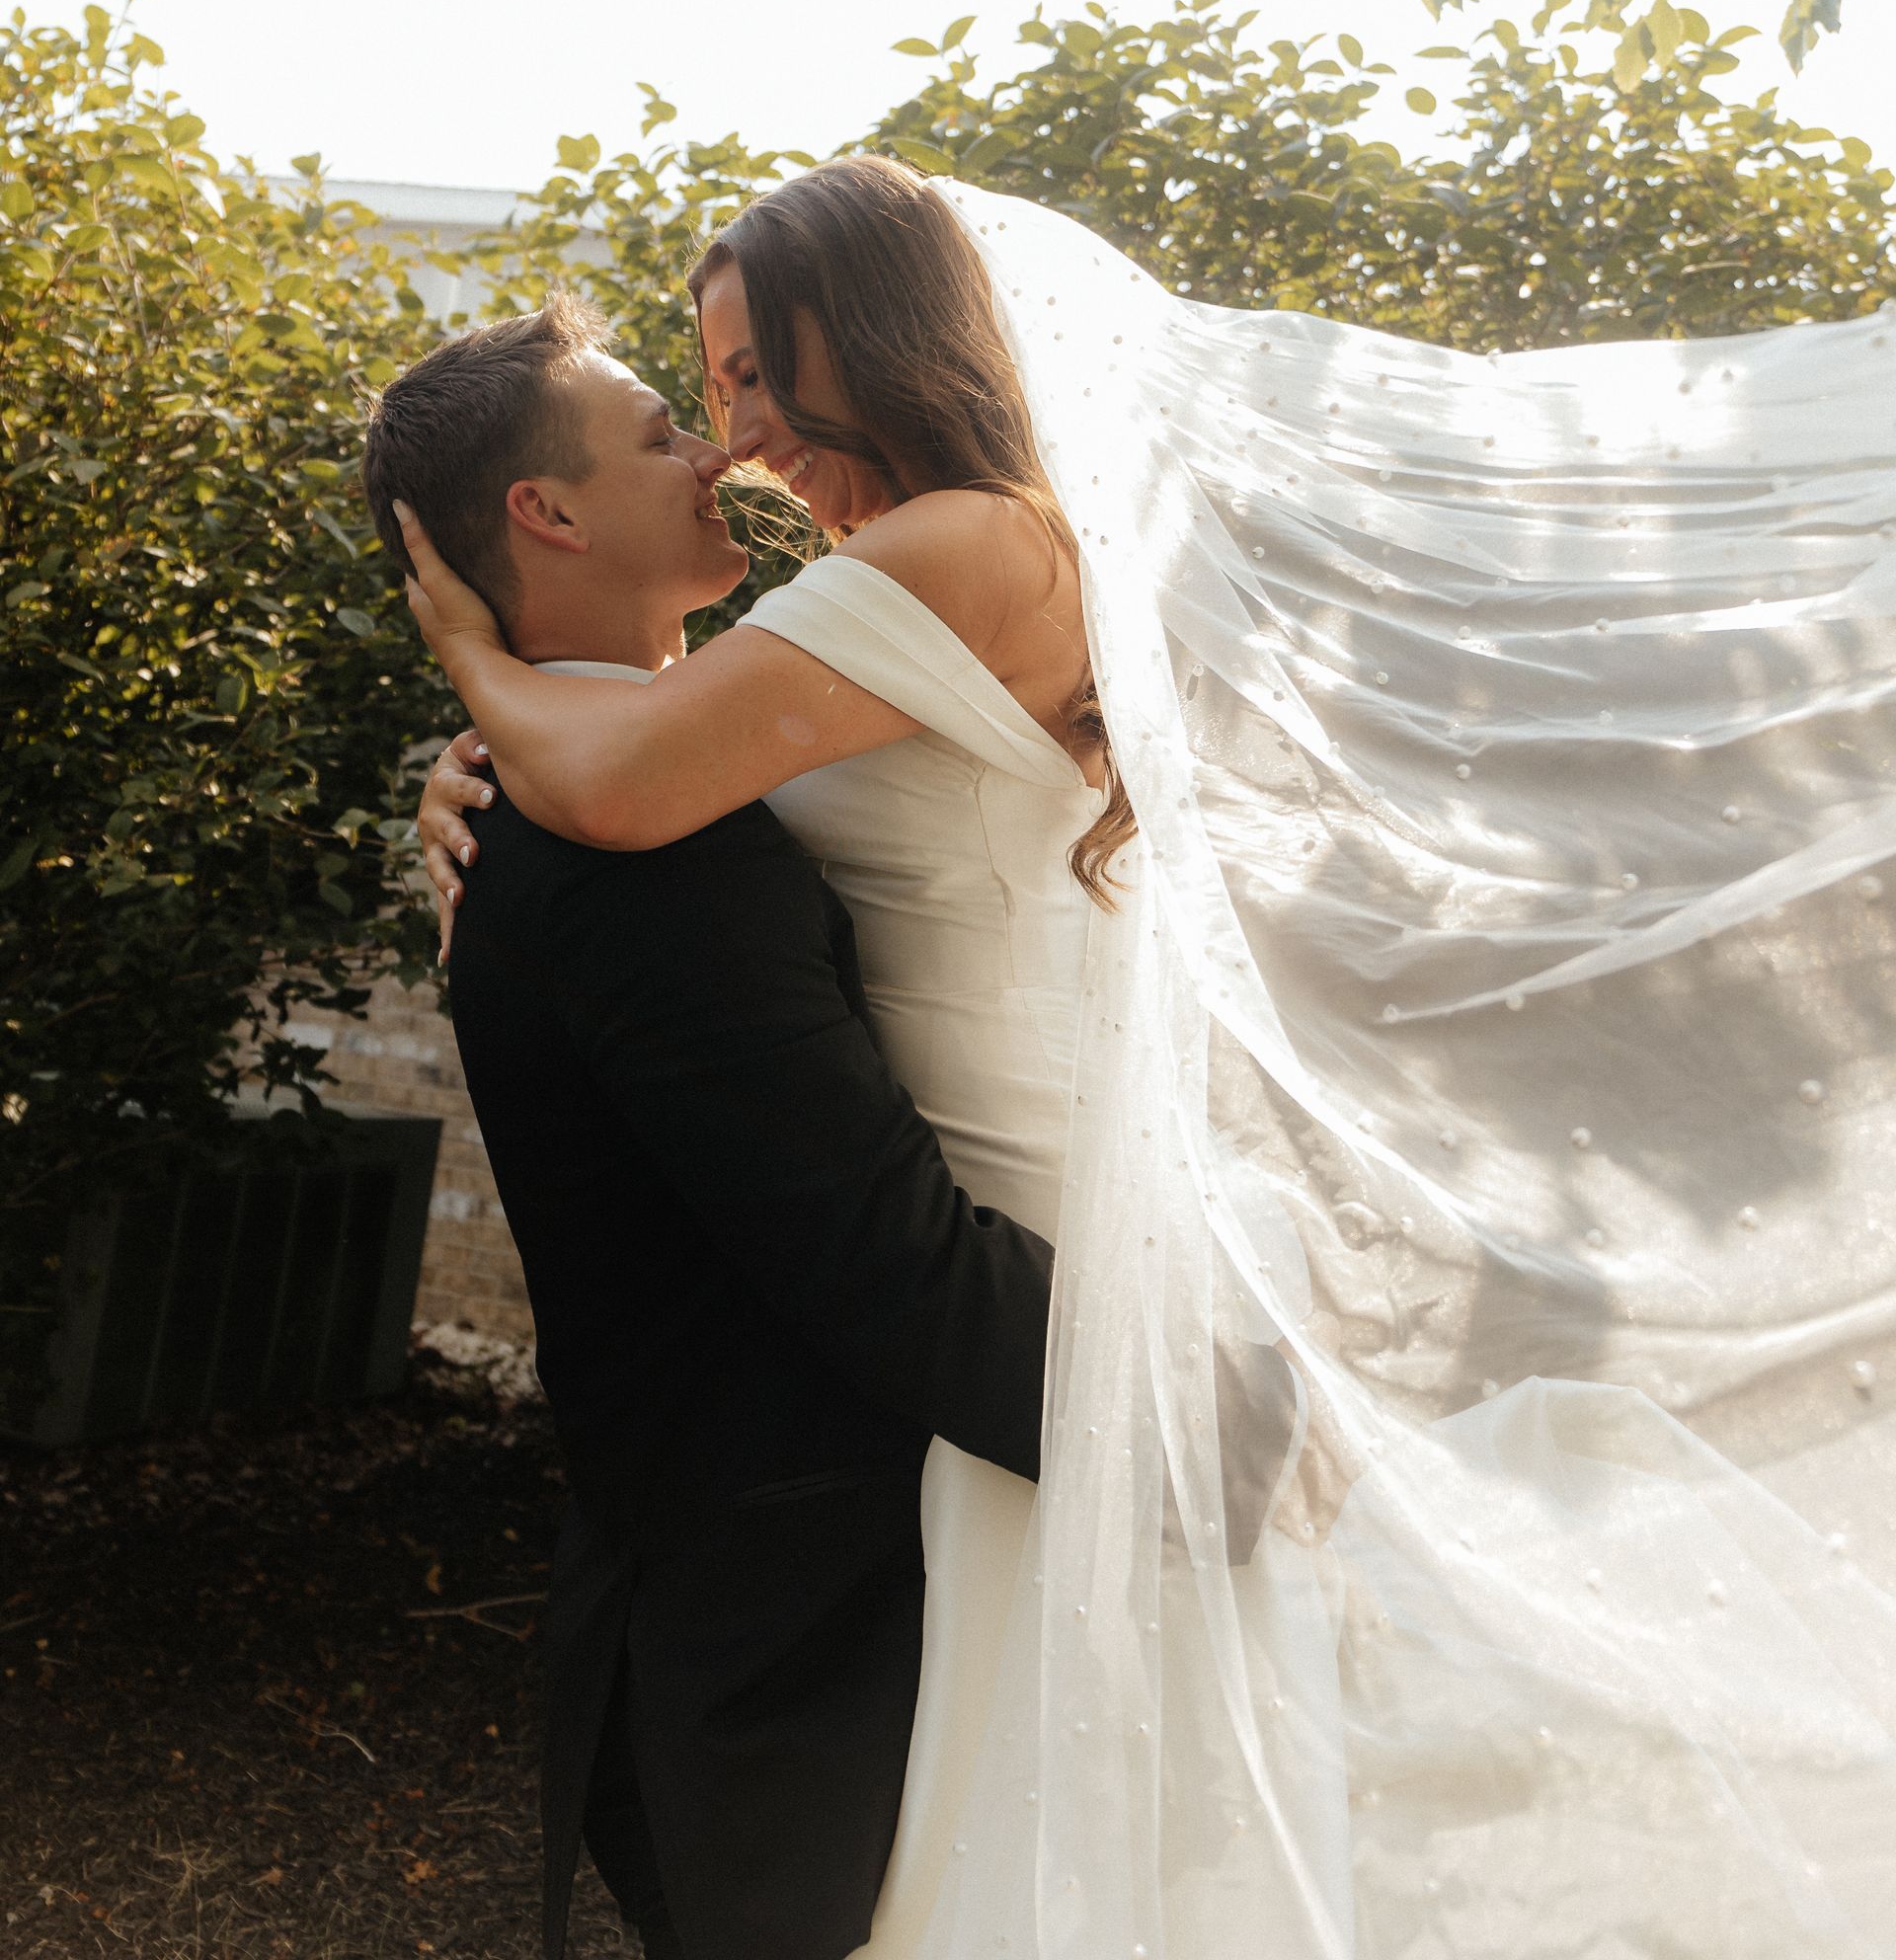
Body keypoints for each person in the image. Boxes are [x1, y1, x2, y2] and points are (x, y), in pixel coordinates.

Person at [408, 159, 1896, 1960]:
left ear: (864, 335)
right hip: (998, 1272)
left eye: (745, 373)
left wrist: (474, 666)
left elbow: (637, 783)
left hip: (1016, 1287)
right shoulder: (919, 580)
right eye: (695, 395)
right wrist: (498, 766)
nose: (727, 437)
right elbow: (659, 796)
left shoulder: (957, 549)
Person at [360, 291, 1055, 1960]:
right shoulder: (642, 853)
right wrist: (1214, 1426)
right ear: (550, 511)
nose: (716, 447)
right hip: (804, 1652)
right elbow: (877, 1259)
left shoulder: (623, 785)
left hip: (757, 1614)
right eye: (661, 430)